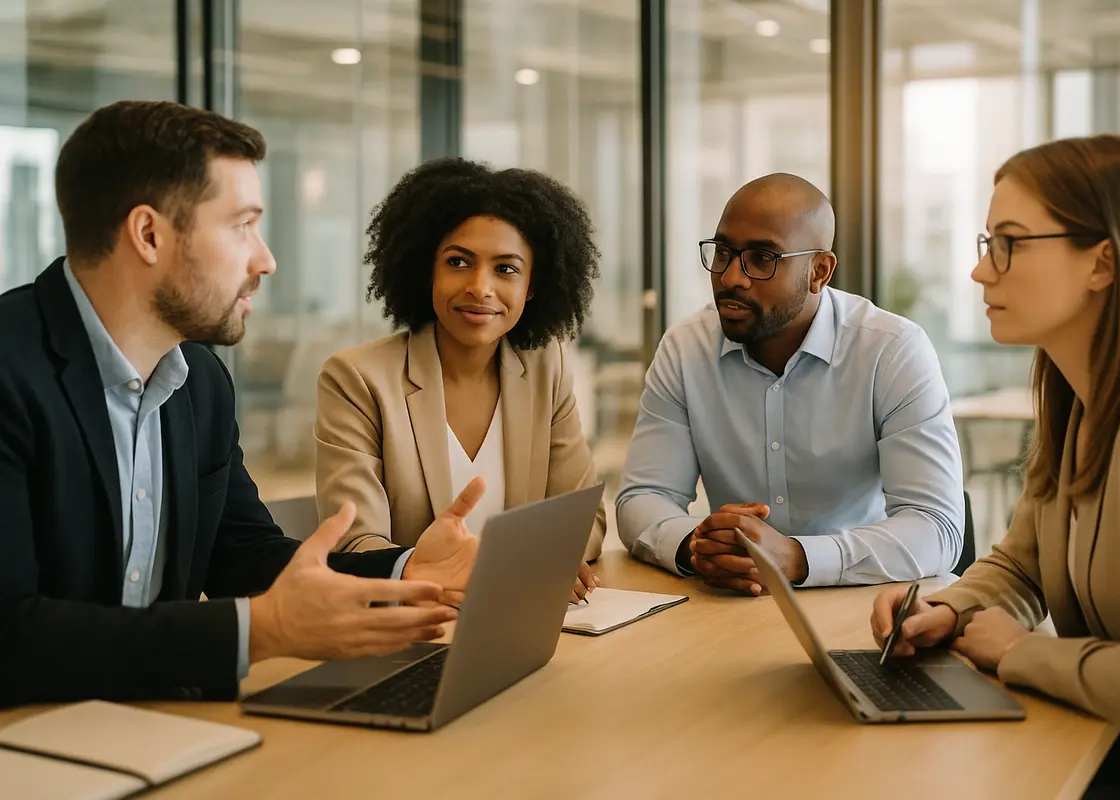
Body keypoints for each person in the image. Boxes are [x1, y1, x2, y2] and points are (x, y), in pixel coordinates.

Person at [0, 101, 483, 708]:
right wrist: (264, 631)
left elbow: (242, 553)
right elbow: (10, 636)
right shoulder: (10, 371)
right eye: (242, 226)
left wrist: (405, 571)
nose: (266, 259)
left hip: (149, 723)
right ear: (148, 234)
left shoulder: (198, 380)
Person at [870, 134, 1120, 800]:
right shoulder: (1082, 400)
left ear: (1103, 262)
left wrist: (1020, 652)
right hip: (1108, 751)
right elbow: (1024, 565)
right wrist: (946, 609)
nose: (981, 272)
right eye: (986, 243)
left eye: (1009, 243)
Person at [617, 173, 963, 593]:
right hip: (731, 607)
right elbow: (642, 497)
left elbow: (935, 527)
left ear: (819, 271)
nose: (731, 277)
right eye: (724, 251)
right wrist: (696, 545)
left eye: (763, 258)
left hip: (862, 602)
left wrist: (797, 558)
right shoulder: (685, 348)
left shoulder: (891, 352)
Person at [315, 158, 605, 603]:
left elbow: (584, 520)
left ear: (532, 286)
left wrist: (530, 563)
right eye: (458, 262)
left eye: (506, 269)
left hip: (523, 621)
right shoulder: (357, 379)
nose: (480, 287)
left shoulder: (548, 367)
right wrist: (503, 566)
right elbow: (355, 545)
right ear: (425, 269)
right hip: (413, 624)